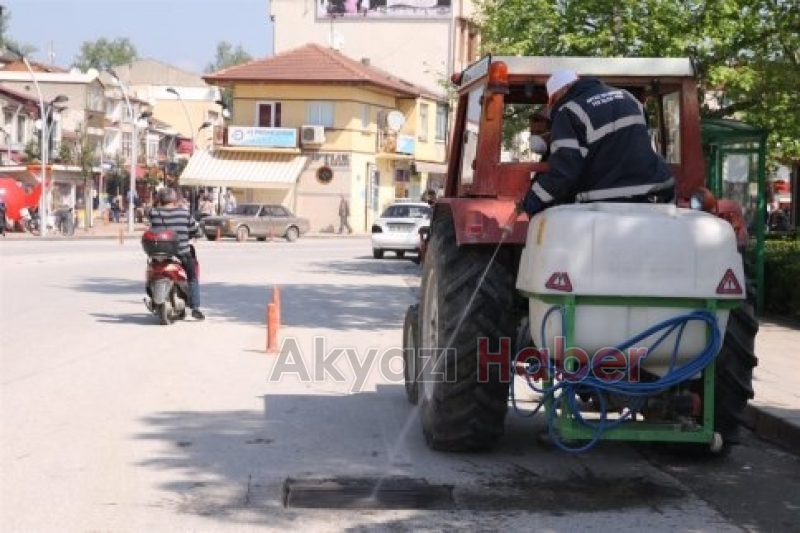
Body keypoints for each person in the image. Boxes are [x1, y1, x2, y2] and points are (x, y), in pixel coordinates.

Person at [520, 70, 675, 217]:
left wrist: (532, 201)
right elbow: (637, 141)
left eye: (553, 100)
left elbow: (564, 171)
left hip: (609, 199)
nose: (554, 105)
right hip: (656, 192)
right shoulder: (629, 98)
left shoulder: (569, 111)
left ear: (563, 89)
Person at [148, 187, 205, 320]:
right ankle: (195, 308)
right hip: (182, 254)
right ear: (175, 200)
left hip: (158, 255)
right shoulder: (184, 214)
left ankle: (154, 296)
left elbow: (150, 220)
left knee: (151, 273)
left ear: (160, 200)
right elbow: (196, 232)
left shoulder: (154, 213)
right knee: (192, 277)